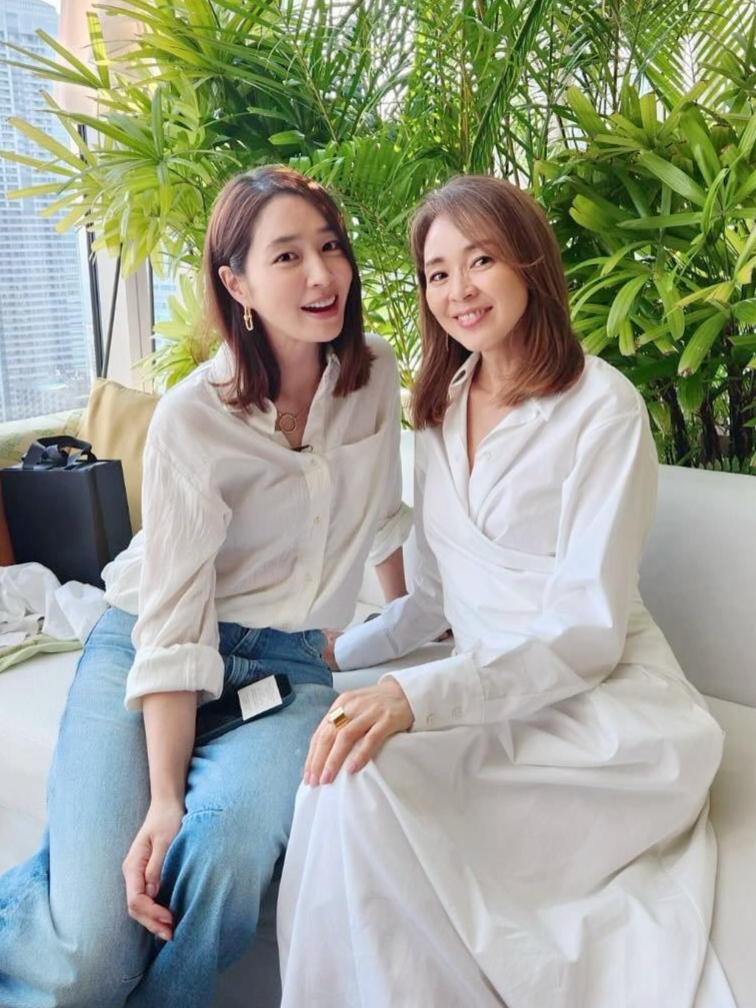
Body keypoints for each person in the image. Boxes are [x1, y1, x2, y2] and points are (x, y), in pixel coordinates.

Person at [277, 175, 736, 1008]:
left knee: (367, 779)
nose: (458, 289)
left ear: (528, 261)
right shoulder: (437, 409)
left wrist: (415, 696)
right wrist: (334, 653)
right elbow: (429, 602)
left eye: (480, 260)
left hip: (602, 712)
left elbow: (588, 633)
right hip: (488, 699)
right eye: (437, 272)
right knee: (345, 766)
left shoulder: (603, 408)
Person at [0, 165, 410, 1008]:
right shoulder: (194, 416)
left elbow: (380, 515)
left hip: (288, 670)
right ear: (237, 284)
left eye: (330, 247)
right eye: (287, 256)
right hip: (145, 648)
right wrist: (162, 800)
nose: (323, 274)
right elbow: (175, 625)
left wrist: (404, 622)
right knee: (92, 962)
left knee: (224, 851)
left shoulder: (373, 372)